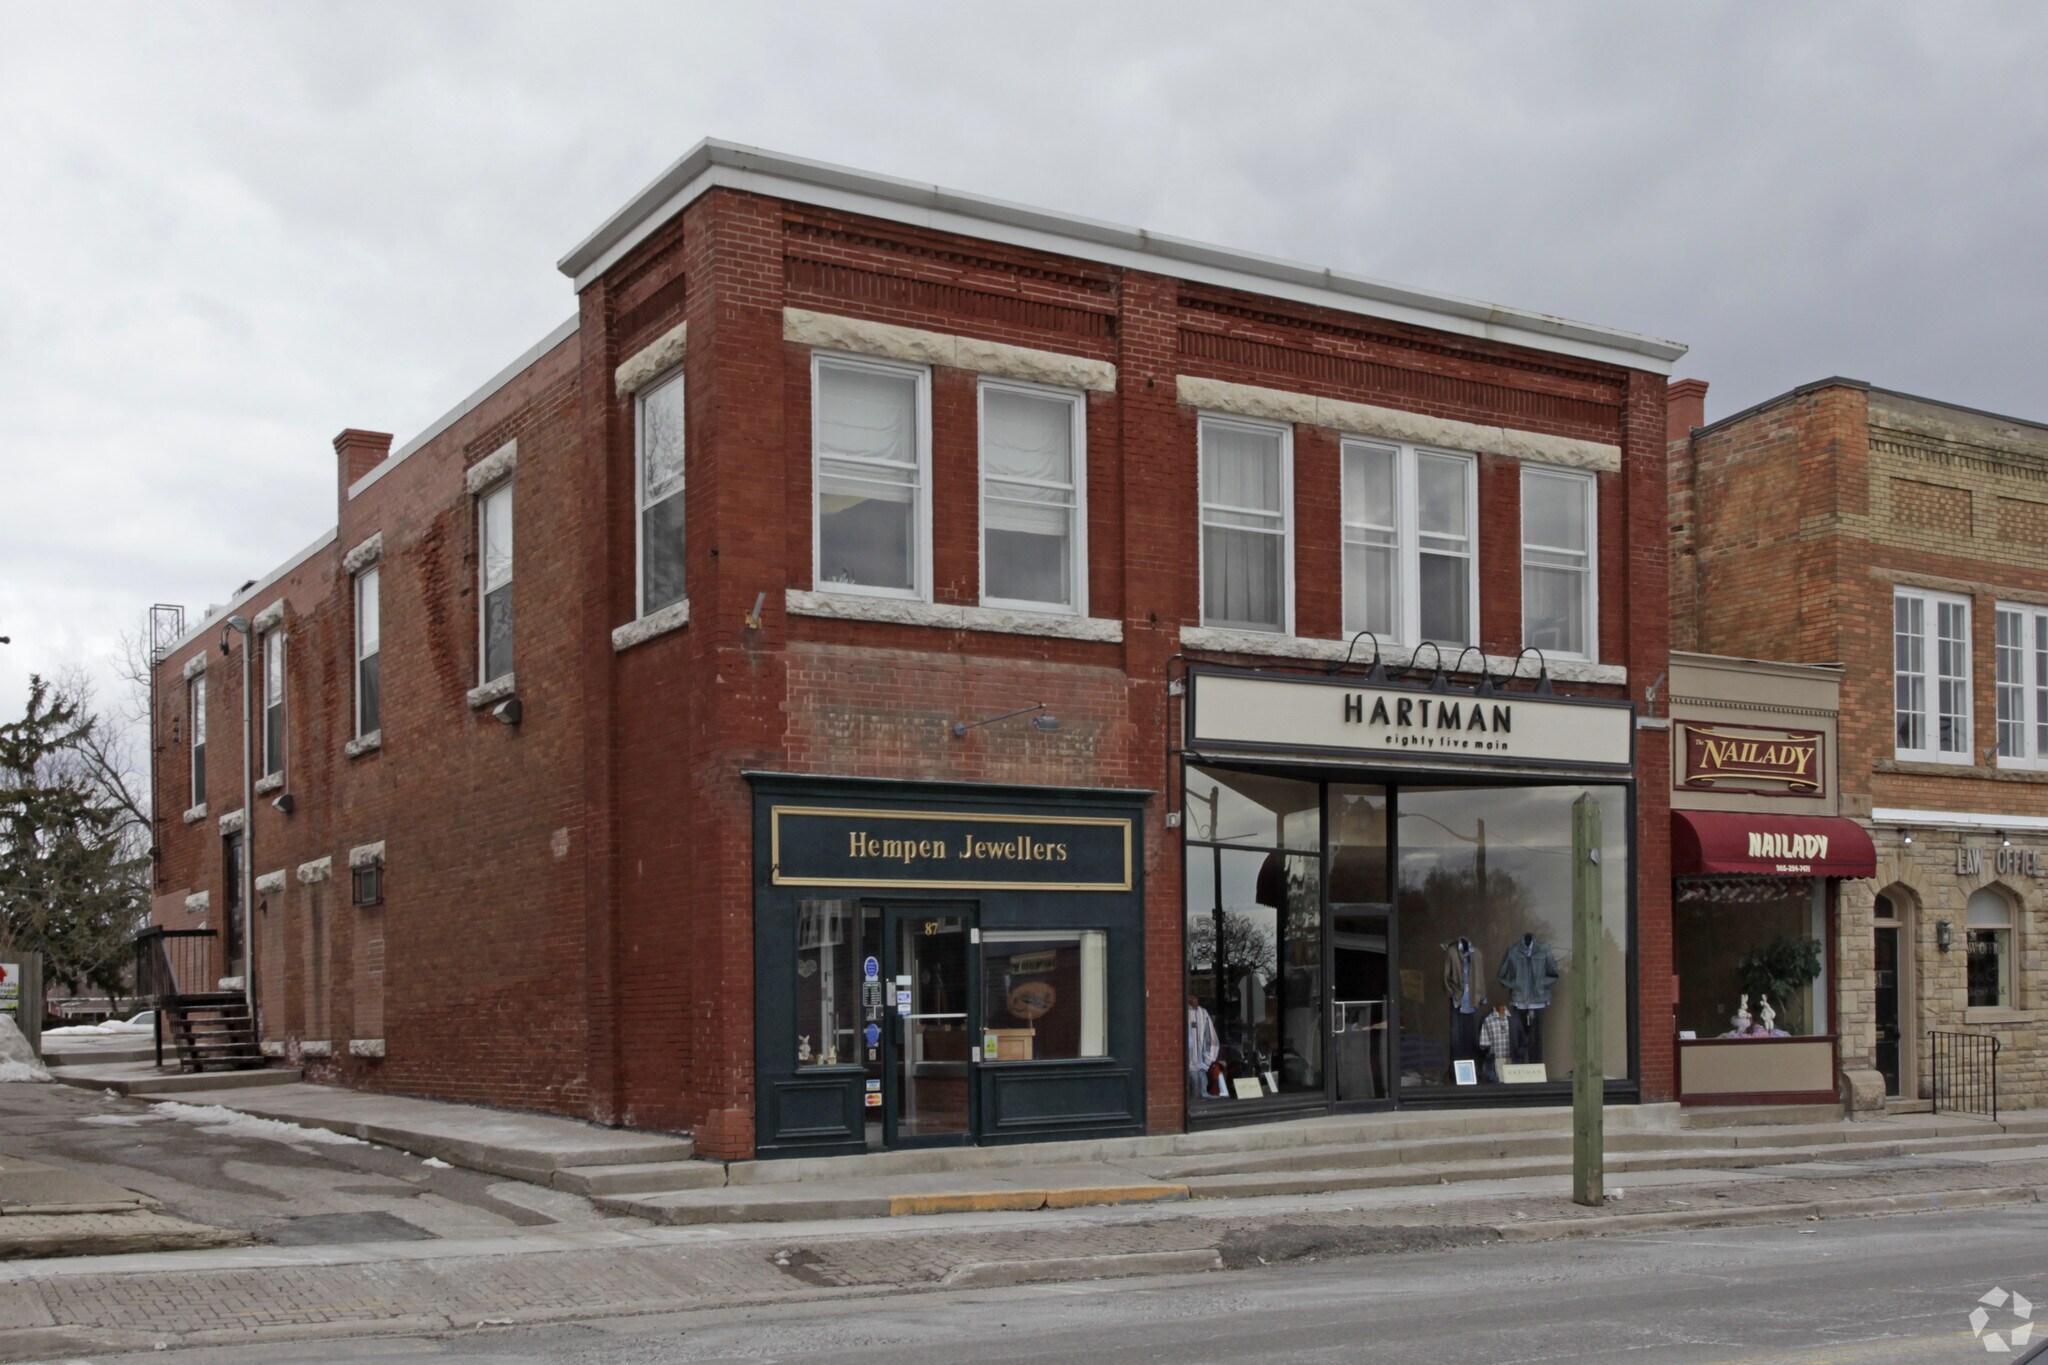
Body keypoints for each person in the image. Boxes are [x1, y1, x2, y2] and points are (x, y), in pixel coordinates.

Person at [1187, 998, 1220, 1097]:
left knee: (1202, 1094)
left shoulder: (1203, 1013)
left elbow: (1211, 1039)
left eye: (1195, 998)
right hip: (1188, 1068)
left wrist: (1207, 1061)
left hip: (1201, 1068)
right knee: (1192, 1094)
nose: (1194, 1000)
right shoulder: (1184, 1012)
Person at [1478, 1000, 1511, 1083]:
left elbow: (1522, 1039)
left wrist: (1519, 1052)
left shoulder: (1513, 1019)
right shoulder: (1487, 1020)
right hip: (1493, 1064)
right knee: (1495, 1084)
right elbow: (1483, 1044)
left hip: (1511, 1062)